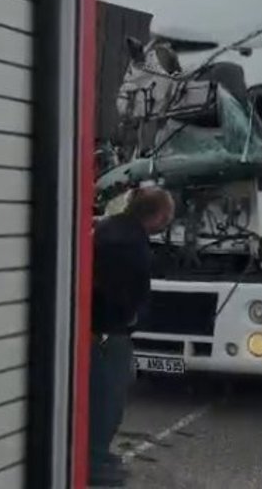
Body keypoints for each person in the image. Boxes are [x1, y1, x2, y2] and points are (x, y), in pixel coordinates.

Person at [89, 187, 175, 486]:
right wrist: (134, 316)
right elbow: (127, 295)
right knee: (108, 401)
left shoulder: (108, 227)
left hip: (93, 329)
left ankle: (95, 458)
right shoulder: (131, 246)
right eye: (168, 216)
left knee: (99, 397)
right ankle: (97, 464)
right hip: (109, 333)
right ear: (159, 216)